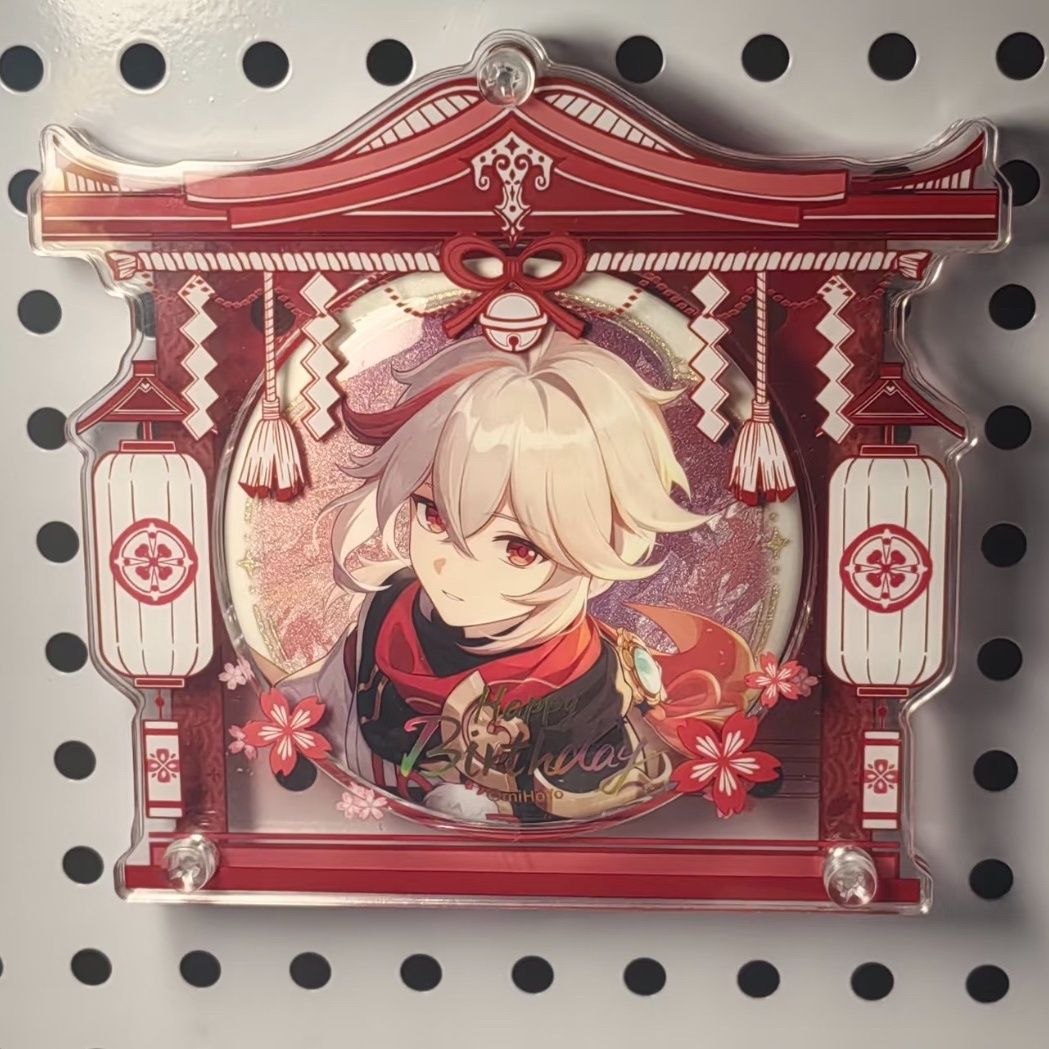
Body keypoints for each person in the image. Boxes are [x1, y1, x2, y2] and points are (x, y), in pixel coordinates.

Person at [278, 332, 753, 825]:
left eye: (518, 548)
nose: (451, 564)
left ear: (602, 551)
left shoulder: (593, 692)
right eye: (434, 515)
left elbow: (590, 819)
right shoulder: (386, 613)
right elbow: (314, 704)